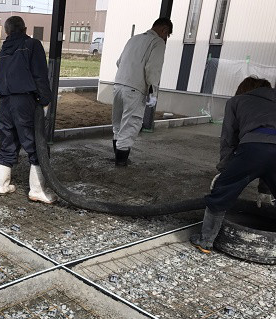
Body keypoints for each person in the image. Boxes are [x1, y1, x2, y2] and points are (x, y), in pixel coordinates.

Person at [190, 76, 276, 253]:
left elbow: (228, 139)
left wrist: (224, 171)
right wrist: (266, 189)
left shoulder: (236, 101)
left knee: (222, 193)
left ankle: (205, 241)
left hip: (252, 147)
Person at [0, 15, 56, 204]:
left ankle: (3, 186)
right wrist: (45, 100)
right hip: (24, 101)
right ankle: (37, 191)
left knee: (7, 142)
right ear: (25, 29)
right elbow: (40, 75)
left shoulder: (2, 52)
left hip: (4, 102)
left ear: (7, 31)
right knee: (36, 144)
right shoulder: (32, 45)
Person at [112, 17, 172, 166]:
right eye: (167, 35)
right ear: (164, 29)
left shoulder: (133, 39)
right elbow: (153, 69)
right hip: (135, 89)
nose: (166, 38)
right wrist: (153, 93)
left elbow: (119, 62)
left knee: (118, 124)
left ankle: (117, 157)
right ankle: (121, 162)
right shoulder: (157, 42)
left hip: (118, 85)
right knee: (130, 125)